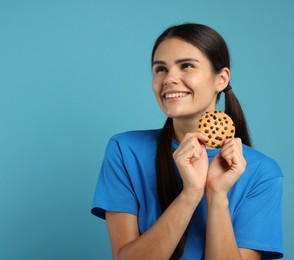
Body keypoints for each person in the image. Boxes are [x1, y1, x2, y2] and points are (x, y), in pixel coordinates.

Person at [91, 23, 284, 259]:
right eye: (160, 69)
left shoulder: (261, 172)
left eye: (187, 66)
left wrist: (216, 196)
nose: (169, 78)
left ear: (221, 79)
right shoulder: (125, 150)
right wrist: (190, 193)